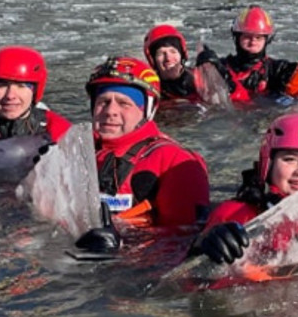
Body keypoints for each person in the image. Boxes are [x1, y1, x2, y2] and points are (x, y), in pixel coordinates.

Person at [187, 113, 298, 265]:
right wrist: (205, 246)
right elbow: (187, 277)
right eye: (290, 159)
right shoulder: (235, 214)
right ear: (269, 165)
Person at [86, 56, 210, 229]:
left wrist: (122, 243)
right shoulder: (80, 152)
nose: (110, 111)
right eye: (103, 102)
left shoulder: (175, 162)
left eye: (124, 103)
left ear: (147, 110)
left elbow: (184, 242)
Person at [196, 5, 298, 102]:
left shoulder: (278, 70)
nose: (253, 42)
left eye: (258, 37)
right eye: (247, 37)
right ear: (237, 38)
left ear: (267, 40)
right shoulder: (220, 67)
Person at [143, 24, 209, 103]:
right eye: (161, 54)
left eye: (173, 51)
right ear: (153, 60)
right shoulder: (149, 90)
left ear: (182, 55)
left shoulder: (201, 79)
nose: (168, 58)